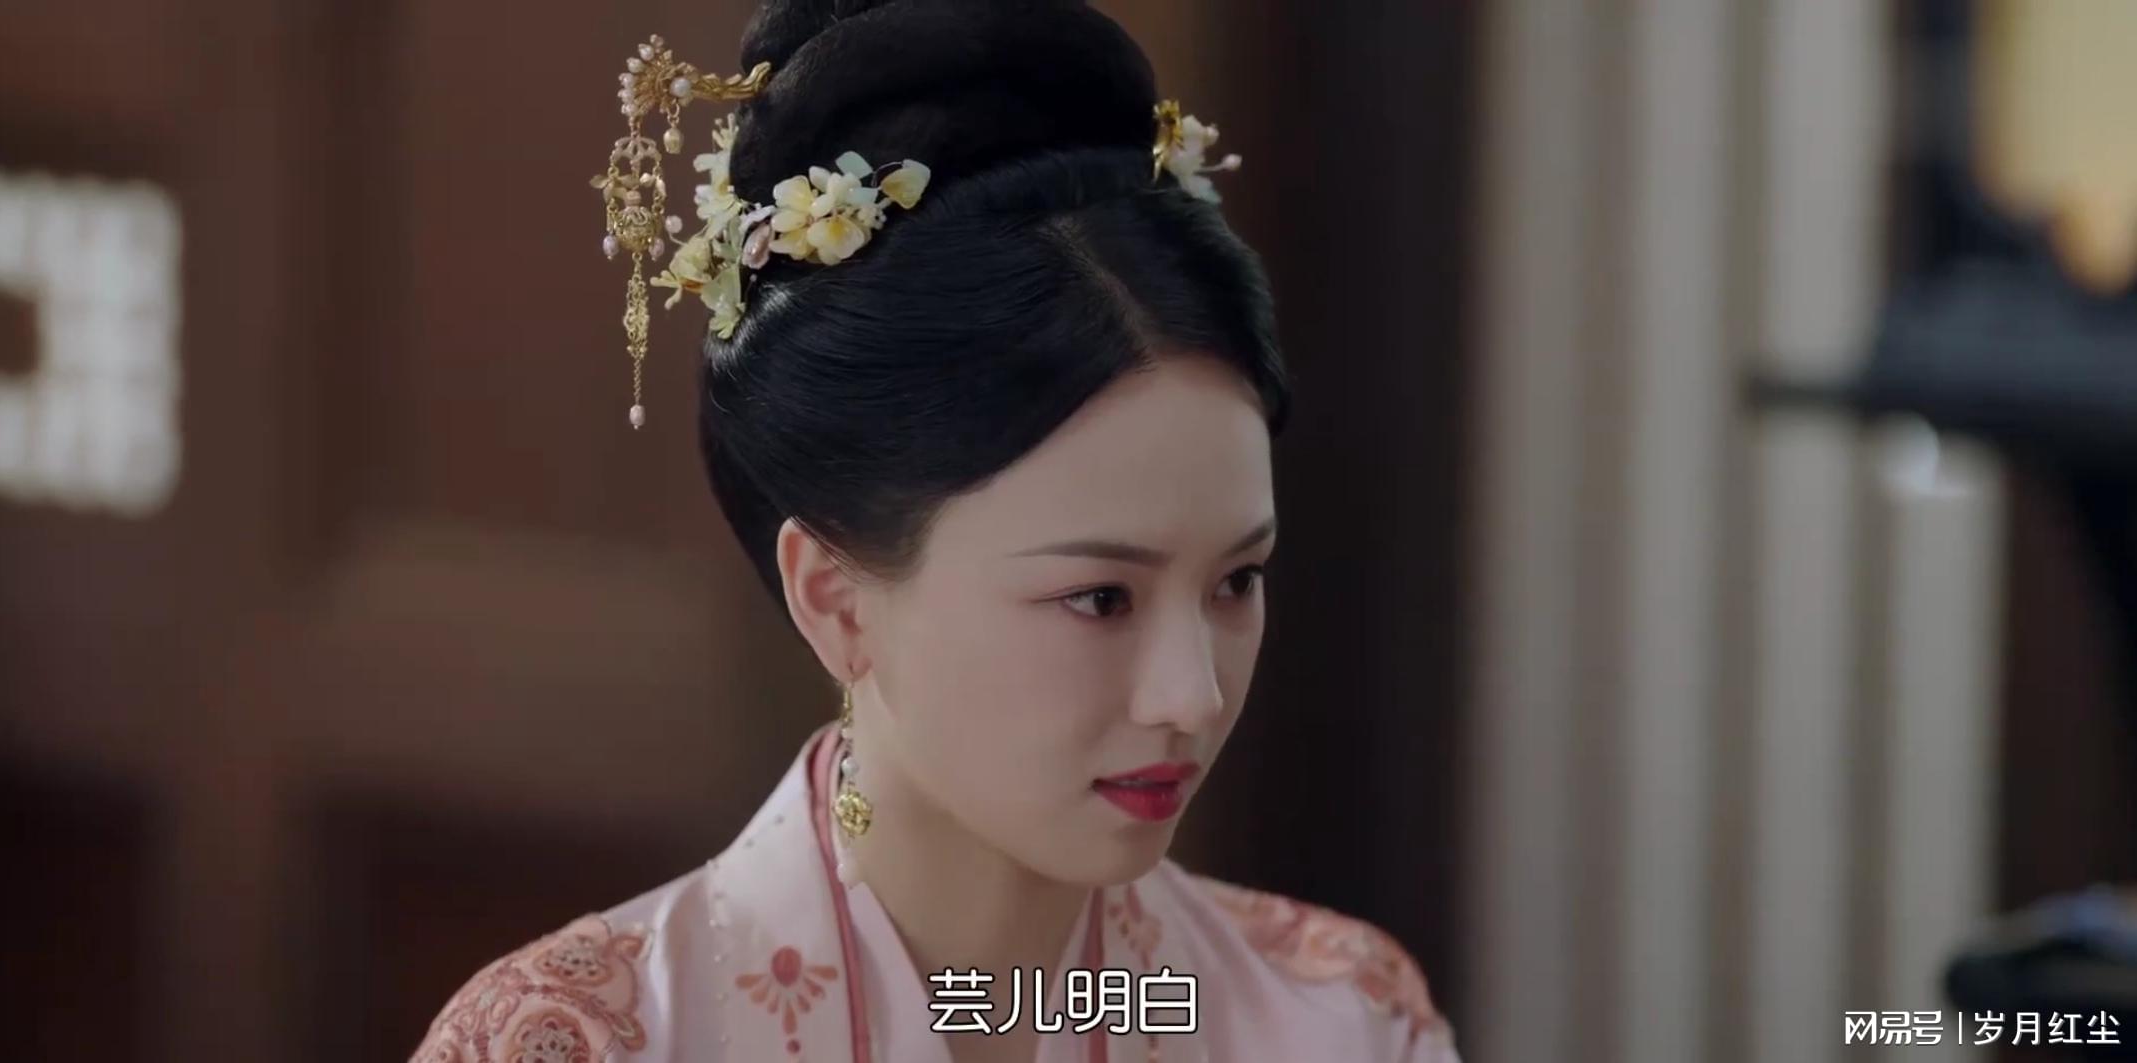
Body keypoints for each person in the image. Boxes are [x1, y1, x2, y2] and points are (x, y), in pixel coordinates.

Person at [413, 1, 1458, 1059]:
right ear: (834, 597)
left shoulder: (1338, 1020)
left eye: (1236, 580)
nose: (1192, 695)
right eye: (1100, 597)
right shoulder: (583, 1041)